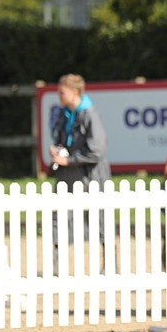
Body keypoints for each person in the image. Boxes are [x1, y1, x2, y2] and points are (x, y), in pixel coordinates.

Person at [48, 73, 110, 272]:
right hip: (67, 176)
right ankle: (55, 267)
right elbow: (61, 139)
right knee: (58, 218)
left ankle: (109, 265)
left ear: (74, 92)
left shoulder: (90, 115)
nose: (58, 95)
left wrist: (69, 160)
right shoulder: (63, 113)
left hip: (89, 176)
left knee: (97, 219)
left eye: (62, 92)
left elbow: (97, 150)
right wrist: (56, 149)